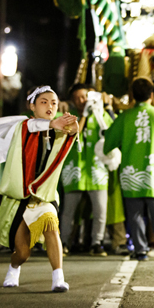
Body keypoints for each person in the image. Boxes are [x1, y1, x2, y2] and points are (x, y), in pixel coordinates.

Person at [0, 85, 78, 292]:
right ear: (31, 106)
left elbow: (71, 133)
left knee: (51, 227)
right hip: (21, 198)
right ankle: (14, 268)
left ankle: (58, 278)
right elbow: (32, 127)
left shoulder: (57, 128)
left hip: (44, 196)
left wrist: (73, 128)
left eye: (54, 103)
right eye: (44, 102)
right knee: (22, 252)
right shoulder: (23, 126)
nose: (50, 106)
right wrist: (52, 123)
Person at [103, 77, 154, 261]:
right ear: (152, 95)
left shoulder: (125, 118)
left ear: (132, 95)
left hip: (130, 176)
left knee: (135, 216)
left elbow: (107, 143)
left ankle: (140, 250)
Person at [60, 84, 114, 257]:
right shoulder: (68, 117)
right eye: (77, 98)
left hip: (97, 170)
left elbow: (111, 132)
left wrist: (105, 108)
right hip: (74, 171)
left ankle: (96, 243)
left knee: (100, 211)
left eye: (84, 97)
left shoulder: (102, 114)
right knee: (68, 211)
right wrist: (83, 115)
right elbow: (73, 132)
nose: (81, 101)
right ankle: (63, 243)